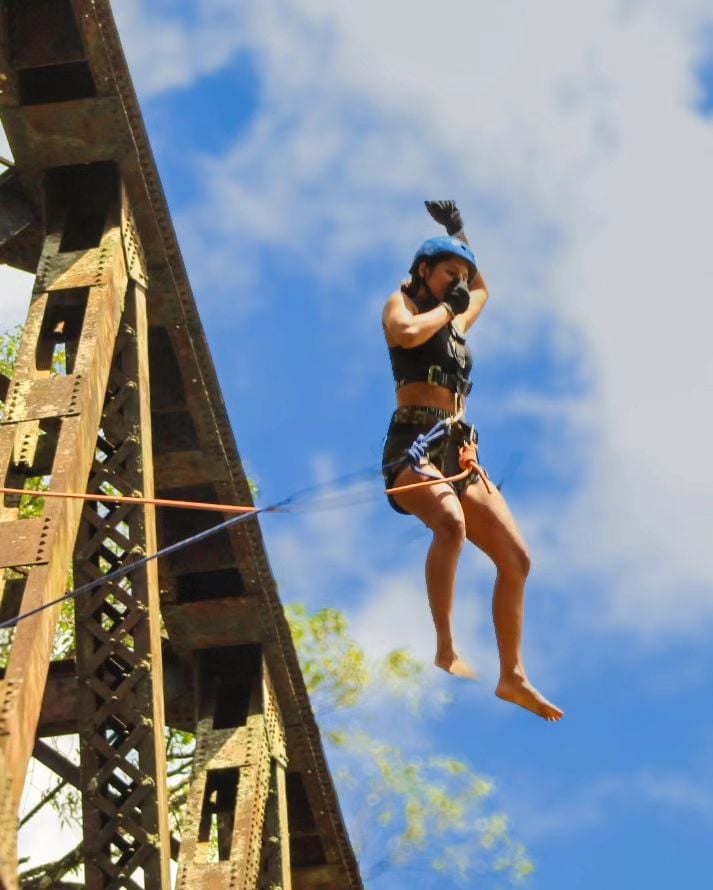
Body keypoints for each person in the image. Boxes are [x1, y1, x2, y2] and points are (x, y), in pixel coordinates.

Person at [381, 200, 563, 722]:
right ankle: (445, 646)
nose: (459, 284)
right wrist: (447, 308)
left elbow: (482, 288)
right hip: (413, 446)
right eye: (448, 274)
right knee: (450, 524)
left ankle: (513, 676)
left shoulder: (458, 314)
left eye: (461, 276)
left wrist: (458, 233)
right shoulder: (402, 304)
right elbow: (406, 335)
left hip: (458, 454)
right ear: (423, 272)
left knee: (517, 559)